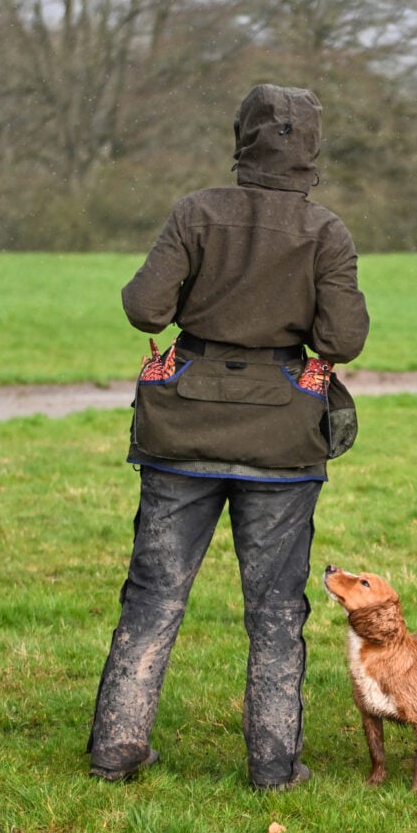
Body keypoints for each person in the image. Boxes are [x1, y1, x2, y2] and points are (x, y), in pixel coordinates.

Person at [87, 84, 370, 791]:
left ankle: (117, 749)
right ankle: (274, 766)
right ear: (311, 148)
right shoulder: (325, 231)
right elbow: (343, 338)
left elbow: (144, 306)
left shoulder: (196, 211)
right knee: (276, 610)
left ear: (241, 138)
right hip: (282, 435)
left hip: (181, 425)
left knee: (153, 595)